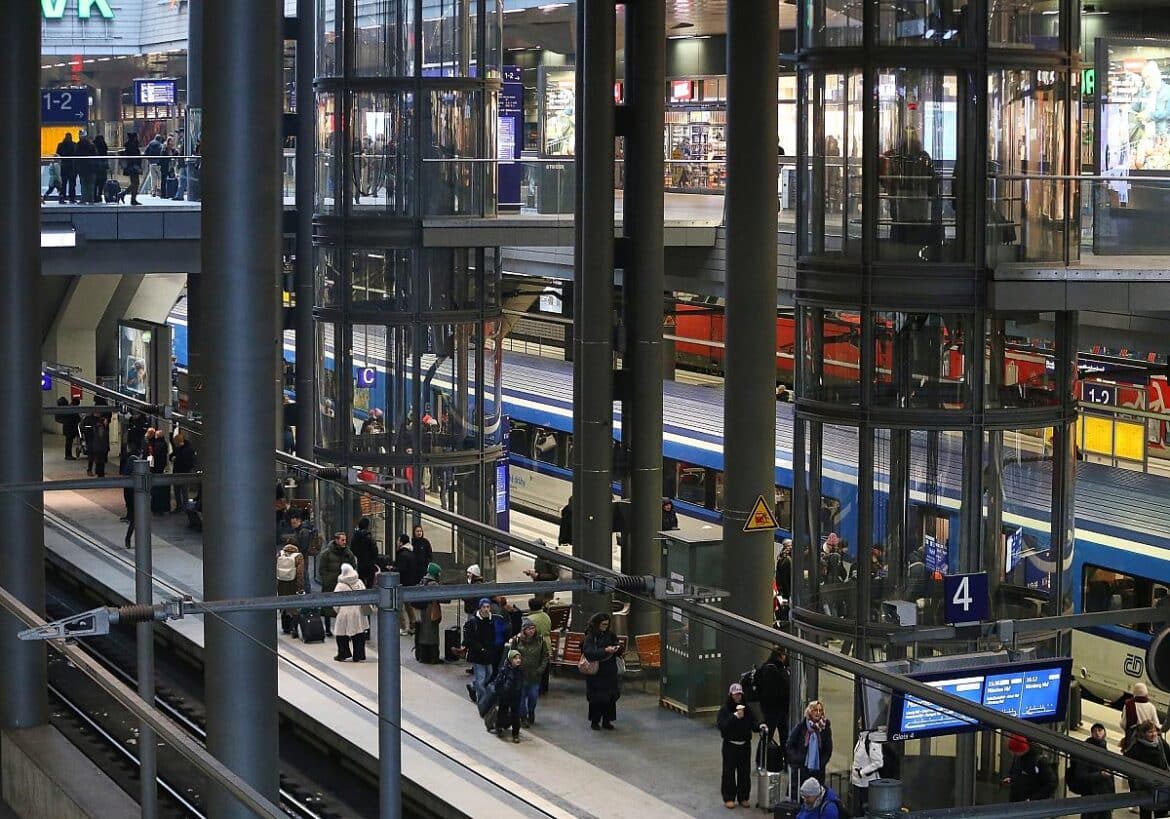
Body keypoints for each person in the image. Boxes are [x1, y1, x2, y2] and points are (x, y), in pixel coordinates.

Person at [717, 682, 768, 809]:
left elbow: (752, 723)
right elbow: (722, 726)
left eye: (739, 694)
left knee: (744, 772)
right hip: (730, 745)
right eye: (735, 695)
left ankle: (743, 796)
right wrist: (734, 716)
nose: (737, 697)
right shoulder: (725, 710)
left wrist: (759, 726)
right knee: (729, 772)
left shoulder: (747, 709)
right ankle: (729, 797)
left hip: (745, 744)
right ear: (730, 695)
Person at [582, 611, 623, 730]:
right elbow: (589, 653)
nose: (605, 627)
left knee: (610, 698)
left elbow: (618, 646)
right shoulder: (591, 637)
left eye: (607, 624)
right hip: (597, 673)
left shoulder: (610, 635)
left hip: (609, 671)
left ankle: (607, 720)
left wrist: (617, 648)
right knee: (597, 699)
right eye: (603, 624)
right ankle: (595, 721)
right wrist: (605, 650)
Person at [463, 597, 508, 703]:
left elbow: (492, 635)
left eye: (488, 607)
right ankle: (483, 699)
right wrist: (481, 649)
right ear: (480, 608)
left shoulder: (491, 620)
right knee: (481, 677)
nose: (486, 609)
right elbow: (470, 639)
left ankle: (473, 687)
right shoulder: (473, 622)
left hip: (488, 654)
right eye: (484, 607)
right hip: (478, 654)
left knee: (489, 674)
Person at [508, 618, 549, 727]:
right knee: (521, 698)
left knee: (533, 696)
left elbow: (545, 656)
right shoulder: (517, 641)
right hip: (520, 674)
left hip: (534, 675)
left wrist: (541, 669)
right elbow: (511, 655)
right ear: (524, 630)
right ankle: (523, 716)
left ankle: (531, 711)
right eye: (529, 629)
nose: (531, 631)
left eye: (533, 628)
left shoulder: (540, 641)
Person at [1125, 720, 1170, 819]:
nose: (1153, 734)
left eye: (1154, 731)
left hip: (1162, 785)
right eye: (1150, 732)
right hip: (1145, 787)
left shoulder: (1161, 743)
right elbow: (1131, 771)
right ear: (1143, 734)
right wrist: (1134, 790)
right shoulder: (1136, 748)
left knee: (1162, 812)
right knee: (1146, 813)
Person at [1069, 723, 1115, 819]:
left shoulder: (1104, 749)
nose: (1097, 733)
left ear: (1104, 732)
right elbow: (1080, 775)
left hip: (1105, 796)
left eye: (1100, 730)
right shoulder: (1086, 751)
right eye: (1095, 731)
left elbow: (1111, 778)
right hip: (1090, 795)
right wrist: (1100, 775)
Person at [786, 700, 833, 788]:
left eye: (820, 710)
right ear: (810, 712)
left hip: (818, 772)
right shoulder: (801, 727)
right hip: (801, 770)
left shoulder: (825, 729)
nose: (818, 713)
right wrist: (797, 760)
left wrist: (821, 763)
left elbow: (828, 750)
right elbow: (790, 745)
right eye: (815, 710)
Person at [318, 533, 357, 637]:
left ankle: (343, 629)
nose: (344, 542)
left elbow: (353, 566)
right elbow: (322, 569)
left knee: (343, 608)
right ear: (336, 540)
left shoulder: (348, 553)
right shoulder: (326, 553)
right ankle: (327, 628)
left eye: (345, 540)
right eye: (342, 540)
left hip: (344, 584)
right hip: (330, 584)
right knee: (328, 606)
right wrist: (327, 579)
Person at [1002, 734, 1056, 803]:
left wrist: (1032, 799)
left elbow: (1051, 784)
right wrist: (1010, 778)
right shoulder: (1018, 757)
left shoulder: (1040, 761)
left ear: (1021, 750)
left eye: (1015, 751)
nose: (1013, 753)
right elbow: (1014, 771)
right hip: (1016, 799)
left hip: (1031, 802)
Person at [331, 563, 368, 662]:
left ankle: (343, 654)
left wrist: (337, 610)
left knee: (341, 634)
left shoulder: (341, 585)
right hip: (358, 611)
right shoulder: (359, 582)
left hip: (345, 612)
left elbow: (336, 601)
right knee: (359, 634)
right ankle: (359, 655)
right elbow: (366, 595)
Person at [755, 647, 791, 744]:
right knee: (784, 737)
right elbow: (783, 688)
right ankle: (785, 757)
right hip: (778, 709)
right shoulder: (777, 670)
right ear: (781, 656)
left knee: (768, 736)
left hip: (769, 709)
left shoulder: (765, 667)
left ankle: (762, 757)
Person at [850, 727, 889, 813]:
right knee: (859, 809)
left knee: (867, 809)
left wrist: (862, 772)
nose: (859, 721)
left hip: (868, 784)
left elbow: (878, 762)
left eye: (862, 719)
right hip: (858, 782)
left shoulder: (872, 740)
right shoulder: (861, 739)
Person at [413, 562, 444, 664]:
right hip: (431, 609)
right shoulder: (433, 584)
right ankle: (433, 657)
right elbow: (441, 596)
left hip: (423, 610)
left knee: (423, 633)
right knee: (432, 634)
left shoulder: (423, 581)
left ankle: (422, 656)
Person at [492, 649, 525, 743]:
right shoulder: (504, 670)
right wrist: (501, 691)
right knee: (502, 712)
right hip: (505, 696)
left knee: (515, 715)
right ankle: (499, 727)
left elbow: (521, 682)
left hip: (515, 696)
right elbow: (498, 682)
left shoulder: (520, 670)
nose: (518, 660)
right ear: (510, 659)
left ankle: (515, 734)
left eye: (519, 658)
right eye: (515, 658)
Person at [276, 540, 305, 635]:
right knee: (294, 607)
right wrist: (300, 587)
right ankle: (294, 629)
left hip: (281, 584)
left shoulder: (280, 553)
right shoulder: (298, 556)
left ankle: (285, 627)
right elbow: (300, 573)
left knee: (284, 606)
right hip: (293, 584)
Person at [393, 534, 421, 635]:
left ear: (401, 542)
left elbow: (401, 569)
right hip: (410, 582)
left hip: (402, 583)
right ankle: (413, 626)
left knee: (399, 606)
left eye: (398, 540)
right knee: (409, 606)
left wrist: (392, 569)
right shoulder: (411, 553)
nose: (396, 542)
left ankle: (403, 627)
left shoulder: (402, 554)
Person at [1122, 682, 1162, 750]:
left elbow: (1123, 724)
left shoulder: (1128, 705)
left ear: (1134, 693)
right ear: (1146, 693)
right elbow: (1156, 725)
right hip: (1147, 740)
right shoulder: (1151, 707)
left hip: (1133, 740)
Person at [527, 598, 554, 694]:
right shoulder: (546, 616)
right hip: (547, 642)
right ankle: (544, 687)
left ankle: (535, 688)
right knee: (545, 666)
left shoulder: (530, 619)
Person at [523, 538, 559, 606]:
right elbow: (538, 571)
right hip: (538, 588)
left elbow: (555, 576)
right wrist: (531, 573)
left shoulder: (550, 559)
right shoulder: (538, 558)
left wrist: (538, 576)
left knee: (545, 606)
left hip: (547, 590)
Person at [169, 430, 196, 513]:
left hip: (184, 472)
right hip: (180, 471)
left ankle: (183, 507)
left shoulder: (187, 449)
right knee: (179, 490)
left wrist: (175, 459)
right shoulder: (182, 448)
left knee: (183, 491)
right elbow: (172, 455)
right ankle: (181, 507)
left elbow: (184, 461)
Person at [350, 517, 378, 588]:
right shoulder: (369, 537)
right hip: (369, 564)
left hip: (359, 563)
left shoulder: (355, 537)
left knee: (360, 584)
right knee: (369, 585)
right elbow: (375, 551)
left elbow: (352, 549)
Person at [120, 133, 143, 205]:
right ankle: (125, 195)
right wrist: (137, 166)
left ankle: (130, 197)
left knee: (135, 183)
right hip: (133, 167)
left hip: (132, 166)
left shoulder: (131, 145)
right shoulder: (132, 146)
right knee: (135, 183)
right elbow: (134, 157)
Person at [75, 134, 97, 204]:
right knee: (90, 185)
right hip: (91, 168)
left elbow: (76, 156)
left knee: (83, 184)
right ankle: (91, 199)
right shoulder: (91, 145)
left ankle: (83, 199)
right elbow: (96, 155)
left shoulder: (78, 146)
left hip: (82, 168)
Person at [56, 132, 77, 204]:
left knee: (63, 183)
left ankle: (62, 197)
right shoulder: (74, 145)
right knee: (72, 183)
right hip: (72, 166)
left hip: (64, 165)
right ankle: (72, 198)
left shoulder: (60, 145)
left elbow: (58, 153)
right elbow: (76, 155)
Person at [92, 133, 109, 204]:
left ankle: (94, 196)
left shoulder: (93, 146)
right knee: (101, 182)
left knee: (95, 182)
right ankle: (99, 195)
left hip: (95, 166)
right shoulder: (104, 146)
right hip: (103, 167)